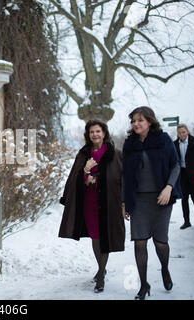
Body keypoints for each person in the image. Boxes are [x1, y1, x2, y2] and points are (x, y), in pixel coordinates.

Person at [122, 106, 181, 300]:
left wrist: (169, 187)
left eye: (140, 120)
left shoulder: (162, 140)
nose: (136, 124)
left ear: (150, 121)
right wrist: (124, 202)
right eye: (133, 121)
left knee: (160, 241)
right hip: (138, 200)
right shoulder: (129, 144)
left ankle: (164, 268)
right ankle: (144, 284)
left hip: (161, 198)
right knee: (139, 242)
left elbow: (175, 165)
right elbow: (125, 176)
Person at [59, 119, 125, 293]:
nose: (95, 134)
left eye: (98, 131)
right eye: (91, 132)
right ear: (88, 135)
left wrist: (96, 179)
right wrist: (85, 172)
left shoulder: (115, 154)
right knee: (96, 237)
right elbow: (74, 178)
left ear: (104, 133)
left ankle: (101, 274)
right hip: (89, 201)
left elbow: (120, 179)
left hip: (109, 202)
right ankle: (101, 270)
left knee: (105, 237)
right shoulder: (83, 154)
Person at [174, 124, 194, 229]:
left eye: (183, 132)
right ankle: (186, 221)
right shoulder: (175, 144)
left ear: (187, 131)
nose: (181, 134)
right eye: (179, 132)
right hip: (182, 175)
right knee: (184, 199)